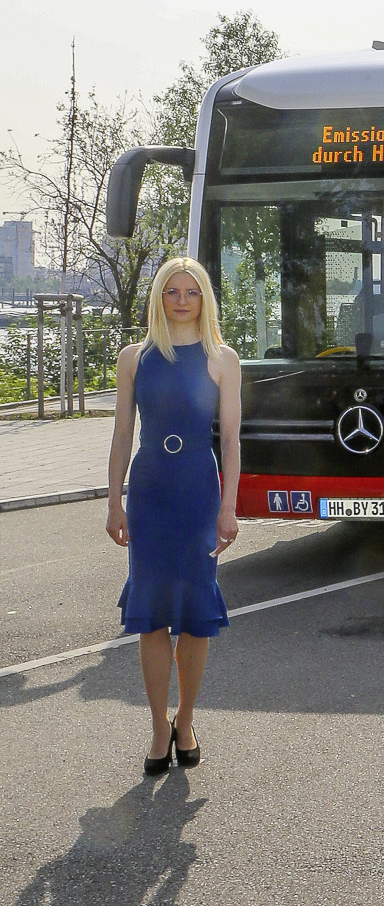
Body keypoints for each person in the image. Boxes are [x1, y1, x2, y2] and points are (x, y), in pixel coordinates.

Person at [105, 257, 241, 774]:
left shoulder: (222, 358)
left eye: (192, 291)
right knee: (152, 611)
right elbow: (121, 434)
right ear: (158, 298)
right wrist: (113, 500)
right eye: (172, 291)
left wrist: (229, 507)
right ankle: (159, 727)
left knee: (196, 615)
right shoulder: (134, 358)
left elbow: (229, 439)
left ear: (204, 299)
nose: (182, 299)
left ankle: (186, 719)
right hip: (150, 490)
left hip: (197, 491)